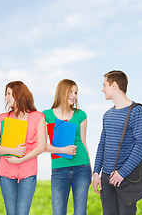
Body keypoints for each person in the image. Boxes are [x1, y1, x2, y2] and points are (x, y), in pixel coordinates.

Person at [93, 70, 142, 215]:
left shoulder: (137, 111)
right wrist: (96, 172)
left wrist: (122, 173)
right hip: (106, 179)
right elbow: (102, 144)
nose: (102, 89)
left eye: (105, 85)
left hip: (126, 178)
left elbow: (141, 145)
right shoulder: (107, 115)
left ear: (114, 85)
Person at [0, 81, 46, 215]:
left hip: (28, 171)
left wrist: (21, 159)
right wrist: (12, 151)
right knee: (11, 212)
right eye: (6, 94)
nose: (6, 97)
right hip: (6, 171)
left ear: (19, 95)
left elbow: (42, 146)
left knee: (21, 212)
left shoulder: (38, 117)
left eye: (9, 94)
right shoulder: (2, 118)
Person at [43, 79, 91, 215]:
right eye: (71, 91)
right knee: (58, 212)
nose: (74, 95)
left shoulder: (80, 115)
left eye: (76, 92)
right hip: (59, 169)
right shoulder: (46, 115)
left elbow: (83, 142)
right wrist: (62, 150)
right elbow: (41, 146)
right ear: (61, 92)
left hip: (82, 167)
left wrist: (91, 169)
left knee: (80, 212)